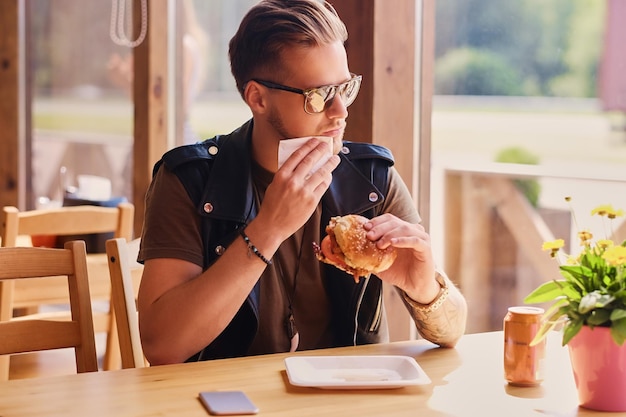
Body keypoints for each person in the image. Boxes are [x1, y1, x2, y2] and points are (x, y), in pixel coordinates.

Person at [137, 0, 468, 366]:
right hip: (230, 401)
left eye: (346, 88)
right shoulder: (188, 180)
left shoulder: (371, 178)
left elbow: (451, 331)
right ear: (257, 98)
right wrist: (267, 230)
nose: (341, 110)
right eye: (319, 96)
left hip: (351, 397)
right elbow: (162, 347)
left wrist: (424, 289)